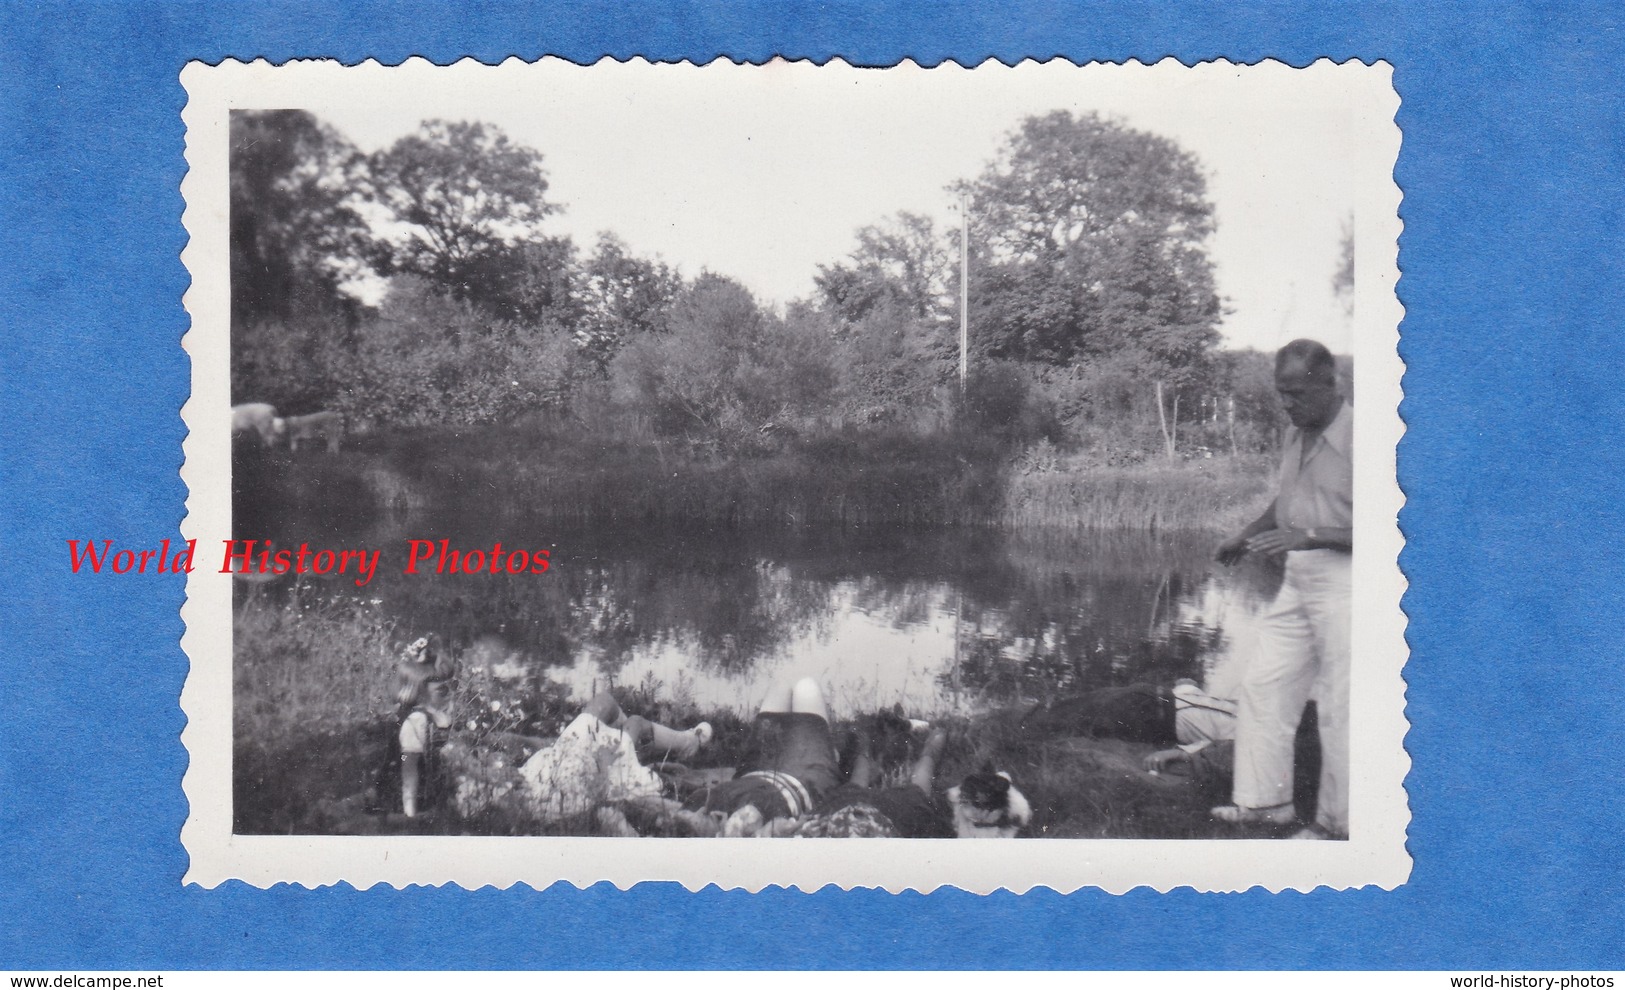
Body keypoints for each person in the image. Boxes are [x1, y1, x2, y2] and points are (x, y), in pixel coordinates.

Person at [1210, 338, 1352, 839]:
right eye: (1281, 393)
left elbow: (1394, 525)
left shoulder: (1367, 437)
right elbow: (1287, 501)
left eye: (1296, 393)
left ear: (1330, 383)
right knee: (1264, 684)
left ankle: (1338, 827)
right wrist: (1245, 533)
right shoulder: (1298, 434)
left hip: (1349, 581)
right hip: (1299, 576)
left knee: (1341, 704)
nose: (1288, 404)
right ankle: (1265, 805)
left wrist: (1309, 535)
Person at [515, 691, 712, 823]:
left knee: (604, 702)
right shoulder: (541, 806)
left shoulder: (501, 784)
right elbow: (587, 799)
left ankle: (630, 741)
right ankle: (687, 742)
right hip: (597, 769)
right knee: (635, 723)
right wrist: (603, 763)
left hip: (564, 756)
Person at [682, 676, 842, 834]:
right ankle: (827, 751)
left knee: (781, 685)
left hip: (754, 769)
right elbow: (780, 827)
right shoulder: (748, 831)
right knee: (807, 687)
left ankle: (825, 748)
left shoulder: (689, 812)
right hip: (804, 779)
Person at [391, 636, 456, 818]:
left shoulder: (438, 715)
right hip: (424, 799)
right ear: (420, 692)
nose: (449, 693)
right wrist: (410, 811)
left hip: (441, 791)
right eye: (441, 690)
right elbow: (409, 771)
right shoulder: (417, 720)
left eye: (451, 687)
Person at [1141, 679, 1239, 777]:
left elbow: (1222, 748)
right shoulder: (1183, 693)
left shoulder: (1182, 695)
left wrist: (1180, 753)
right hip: (1176, 712)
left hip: (1230, 735)